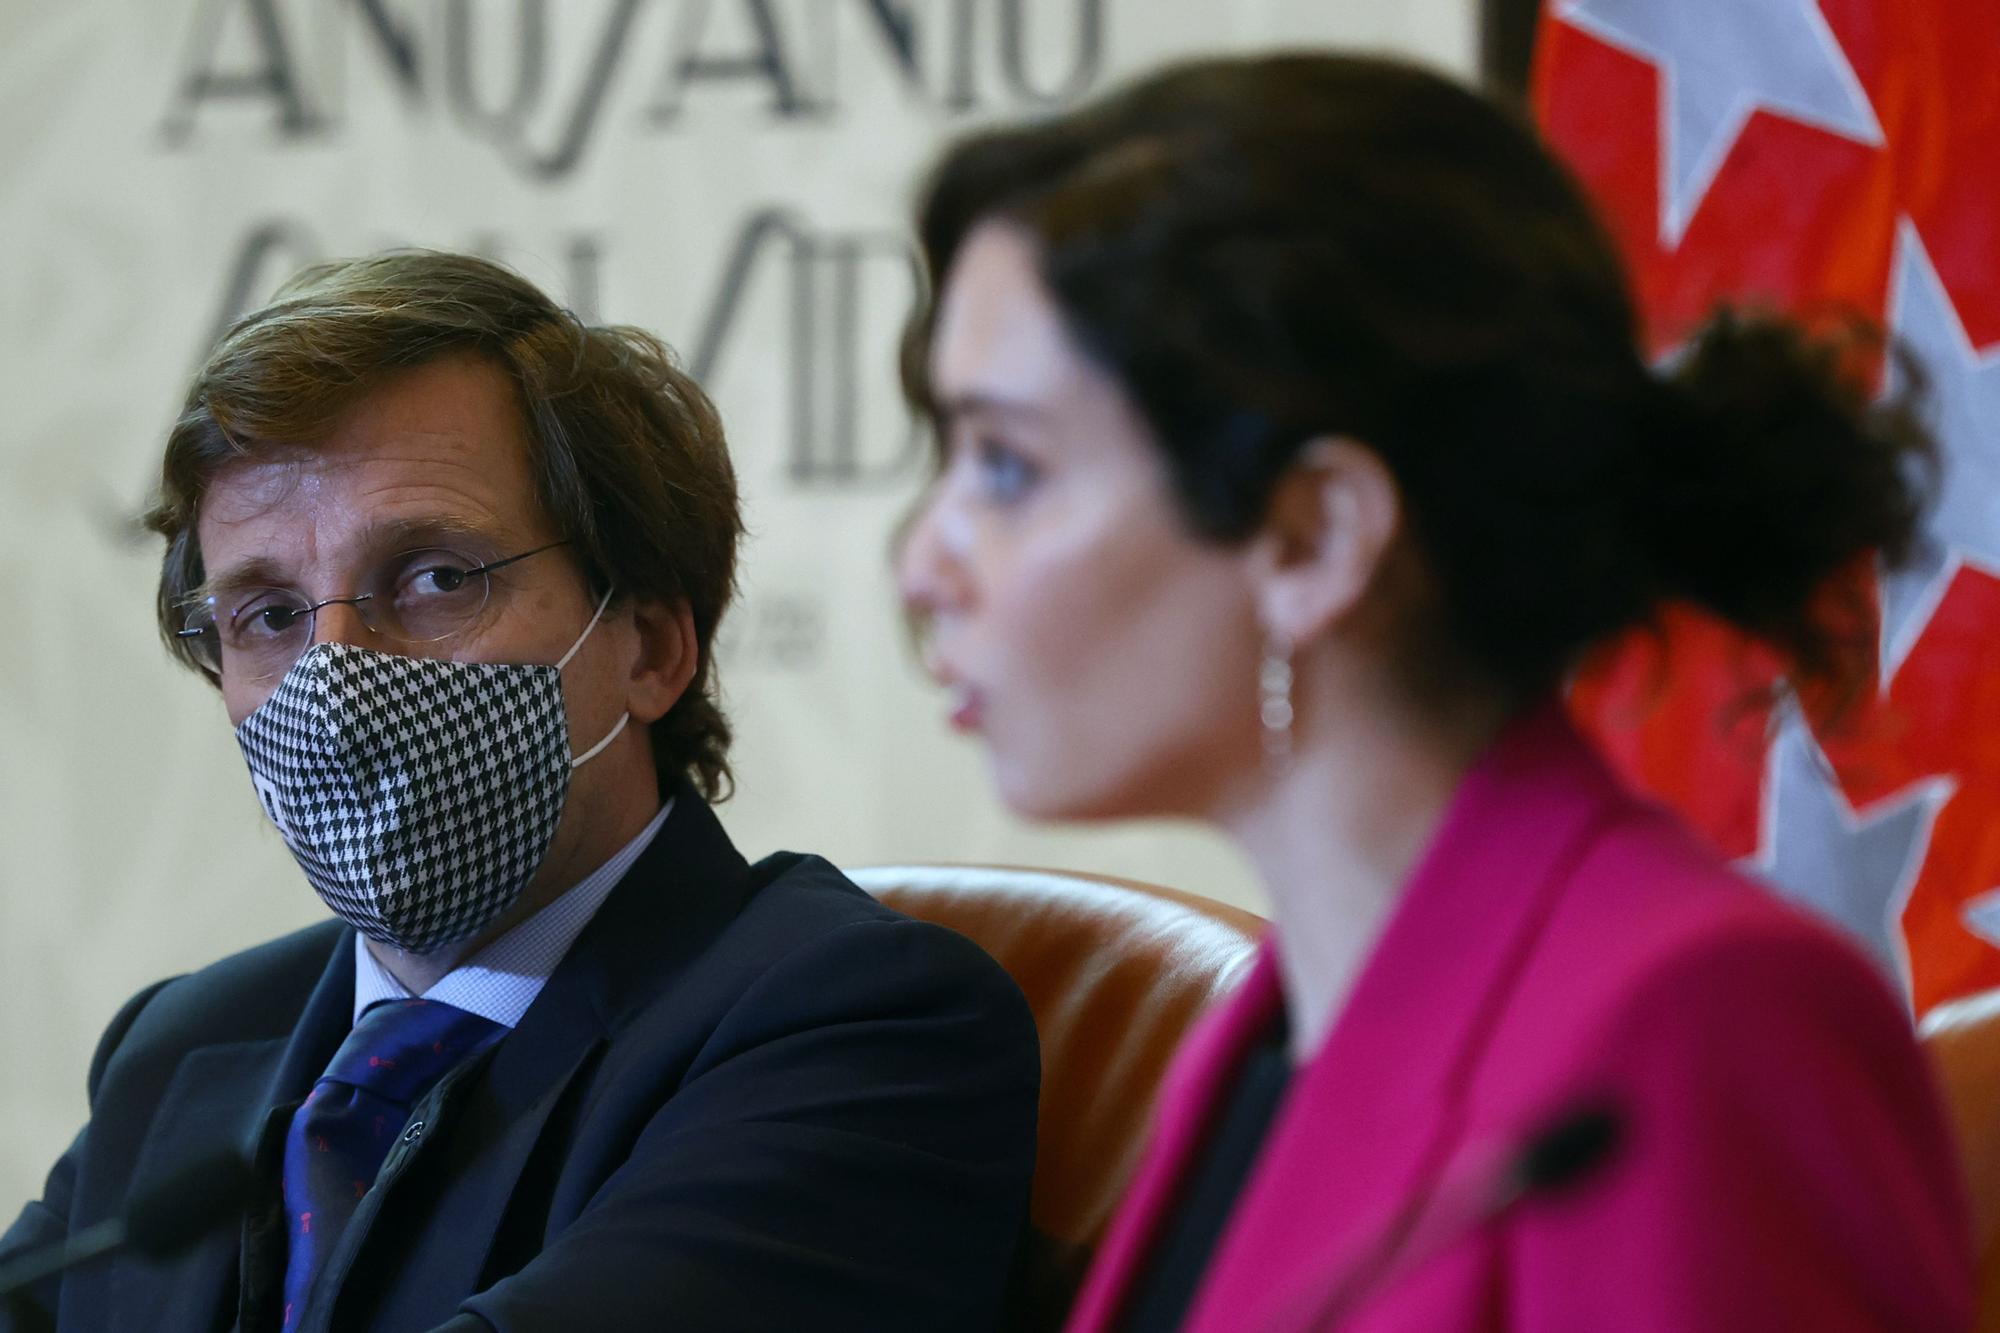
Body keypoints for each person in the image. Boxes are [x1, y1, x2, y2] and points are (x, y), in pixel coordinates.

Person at [895, 53, 1972, 1332]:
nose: (923, 563)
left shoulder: (1698, 1027)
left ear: (1314, 538)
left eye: (1006, 469)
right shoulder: (1272, 1020)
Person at [0, 251, 1038, 1333]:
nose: (337, 681)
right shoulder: (183, 1046)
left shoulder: (859, 1026)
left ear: (649, 646)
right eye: (269, 614)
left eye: (436, 577)